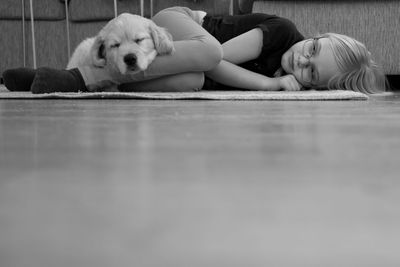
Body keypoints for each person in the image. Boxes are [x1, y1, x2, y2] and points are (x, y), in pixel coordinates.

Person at [2, 6, 386, 94]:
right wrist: (269, 86)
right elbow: (217, 58)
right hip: (180, 26)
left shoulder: (289, 73)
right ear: (314, 34)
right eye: (313, 48)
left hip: (173, 61)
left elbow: (205, 77)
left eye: (312, 72)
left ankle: (108, 85)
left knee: (191, 79)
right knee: (207, 61)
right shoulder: (282, 32)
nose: (301, 60)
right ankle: (78, 78)